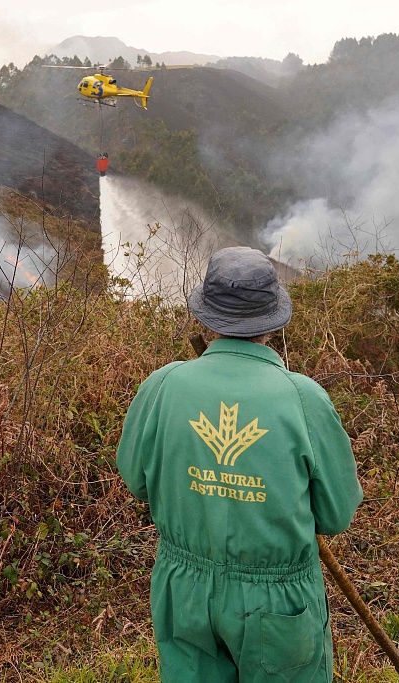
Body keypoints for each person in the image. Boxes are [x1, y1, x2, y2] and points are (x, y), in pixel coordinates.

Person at [117, 246, 363, 682]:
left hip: (184, 590)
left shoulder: (162, 386)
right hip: (277, 603)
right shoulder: (303, 398)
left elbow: (137, 481)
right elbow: (336, 513)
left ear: (205, 316)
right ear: (273, 319)